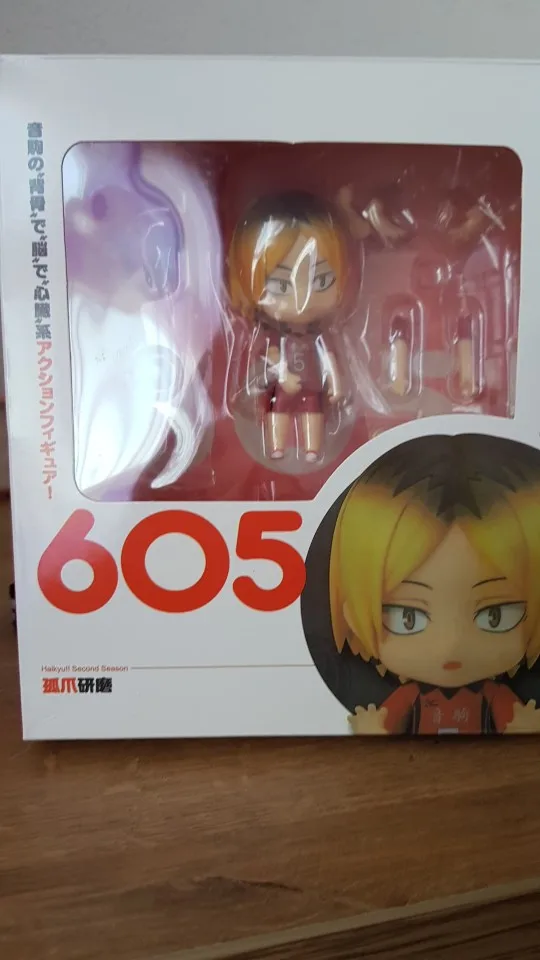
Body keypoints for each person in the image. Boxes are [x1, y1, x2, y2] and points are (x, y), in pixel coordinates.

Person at [329, 434, 540, 734]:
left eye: (495, 616)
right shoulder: (409, 696)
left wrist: (523, 726)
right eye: (408, 617)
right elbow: (383, 723)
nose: (451, 645)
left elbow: (514, 722)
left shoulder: (494, 695)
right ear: (354, 615)